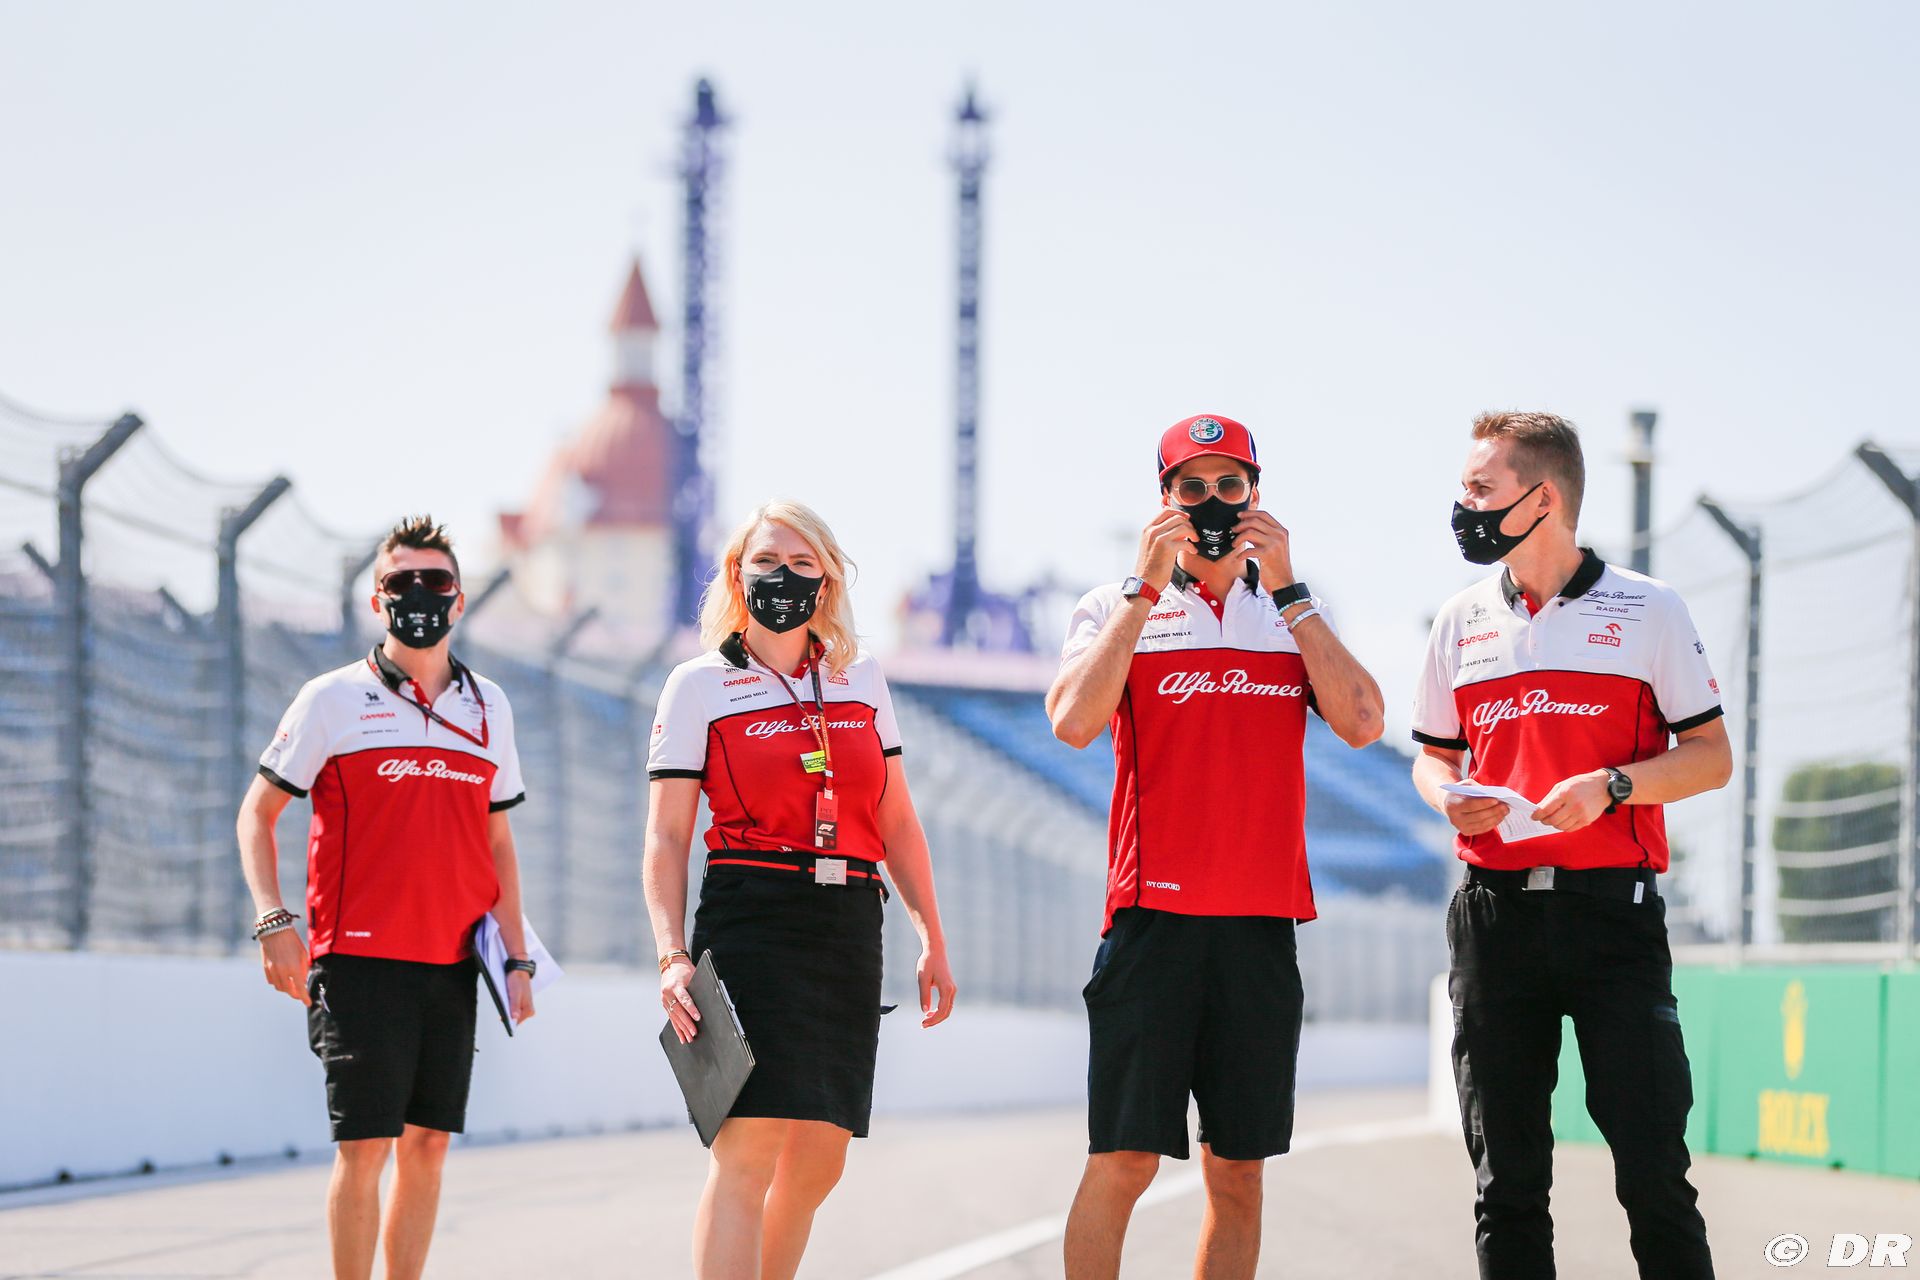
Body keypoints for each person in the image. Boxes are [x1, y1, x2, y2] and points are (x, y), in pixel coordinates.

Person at [1046, 414, 1385, 1280]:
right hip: (1151, 921)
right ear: (1163, 499)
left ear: (1256, 493)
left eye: (1229, 484)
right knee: (1123, 1160)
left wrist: (1292, 591)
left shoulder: (1293, 610)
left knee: (1238, 1173)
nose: (1211, 502)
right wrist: (1142, 587)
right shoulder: (1111, 604)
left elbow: (1363, 722)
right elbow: (1073, 722)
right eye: (1191, 487)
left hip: (1260, 927)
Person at [1411, 412, 1731, 1279]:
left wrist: (1612, 786)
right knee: (1507, 1186)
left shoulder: (1650, 608)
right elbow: (1432, 758)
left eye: (1481, 488)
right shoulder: (1460, 619)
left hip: (1613, 919)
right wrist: (1449, 800)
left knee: (1654, 1176)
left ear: (1542, 498)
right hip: (1493, 920)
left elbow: (1711, 758)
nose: (1464, 505)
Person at [643, 499, 958, 1280]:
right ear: (735, 575)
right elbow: (668, 837)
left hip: (847, 920)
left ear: (827, 581)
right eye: (766, 562)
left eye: (801, 564)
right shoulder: (699, 685)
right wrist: (672, 956)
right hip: (750, 915)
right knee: (748, 1146)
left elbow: (896, 819)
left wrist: (932, 937)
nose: (782, 577)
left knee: (820, 1158)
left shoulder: (861, 678)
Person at [235, 515, 536, 1280]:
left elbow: (498, 841)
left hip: (454, 963)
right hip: (359, 963)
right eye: (402, 582)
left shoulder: (489, 706)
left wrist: (518, 958)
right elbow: (256, 815)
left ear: (460, 598)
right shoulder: (331, 699)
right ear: (377, 598)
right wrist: (273, 921)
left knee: (428, 1147)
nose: (419, 594)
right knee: (365, 1147)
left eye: (436, 581)